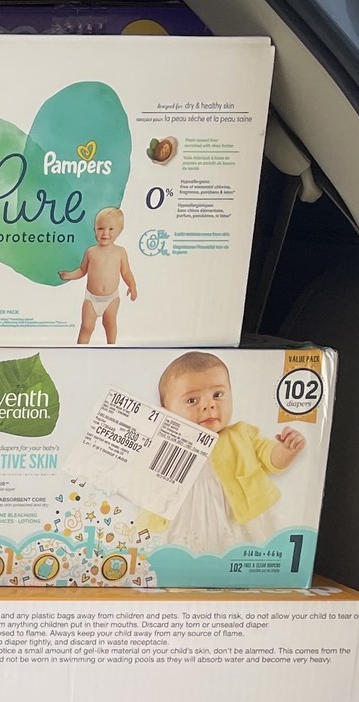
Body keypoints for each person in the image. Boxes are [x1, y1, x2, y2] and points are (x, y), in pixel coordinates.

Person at [156, 351, 306, 554]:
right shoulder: (165, 445)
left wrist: (285, 450)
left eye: (218, 395)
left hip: (238, 516)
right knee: (183, 555)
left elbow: (270, 459)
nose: (209, 405)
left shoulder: (241, 435)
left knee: (245, 554)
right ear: (166, 412)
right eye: (192, 400)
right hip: (190, 519)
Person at [58, 207, 137, 344]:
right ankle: (80, 351)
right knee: (86, 327)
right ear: (94, 229)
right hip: (91, 299)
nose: (105, 233)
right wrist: (68, 275)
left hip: (111, 298)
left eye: (111, 229)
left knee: (110, 325)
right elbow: (82, 270)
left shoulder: (120, 252)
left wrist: (132, 285)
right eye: (100, 228)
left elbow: (126, 272)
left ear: (120, 230)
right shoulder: (91, 252)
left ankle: (111, 348)